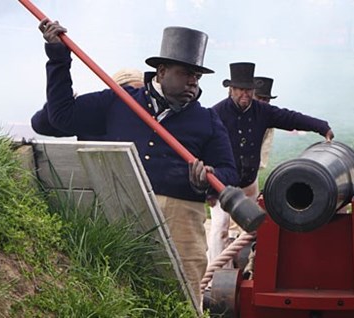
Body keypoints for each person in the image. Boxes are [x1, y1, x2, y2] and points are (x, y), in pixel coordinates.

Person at [31, 20, 238, 303]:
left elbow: (229, 172)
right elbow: (61, 117)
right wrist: (57, 57)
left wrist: (208, 176)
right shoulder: (119, 101)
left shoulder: (207, 120)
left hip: (182, 220)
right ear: (162, 72)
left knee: (184, 298)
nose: (193, 82)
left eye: (197, 77)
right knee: (121, 291)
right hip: (121, 210)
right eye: (187, 74)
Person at [207, 62, 334, 267]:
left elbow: (290, 117)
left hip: (249, 181)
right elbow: (204, 150)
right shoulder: (216, 113)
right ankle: (217, 273)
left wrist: (321, 126)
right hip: (223, 184)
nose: (245, 94)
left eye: (248, 90)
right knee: (220, 227)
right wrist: (210, 192)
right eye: (240, 90)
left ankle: (246, 265)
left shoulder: (262, 111)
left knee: (252, 226)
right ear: (231, 89)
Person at [31, 68, 145, 139]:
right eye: (127, 91)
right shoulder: (91, 117)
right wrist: (60, 103)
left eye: (137, 93)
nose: (132, 97)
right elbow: (41, 125)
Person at [254, 76, 278, 170]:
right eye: (259, 98)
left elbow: (266, 144)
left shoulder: (268, 121)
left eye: (266, 99)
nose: (262, 102)